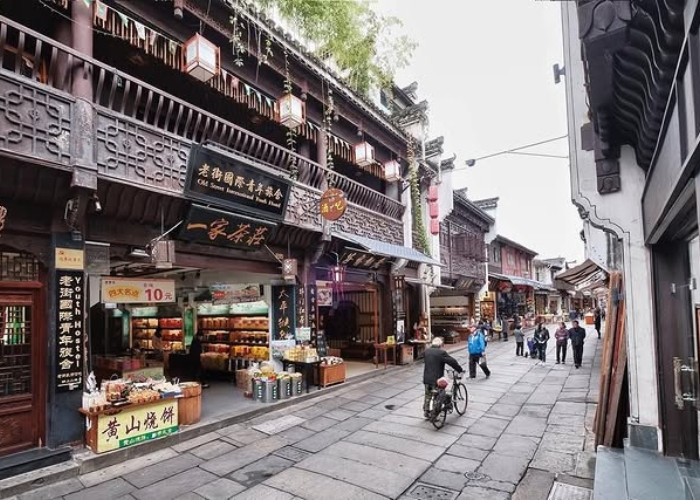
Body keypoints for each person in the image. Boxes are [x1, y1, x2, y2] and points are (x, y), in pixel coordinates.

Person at [423, 337, 464, 418]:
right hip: (437, 379)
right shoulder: (441, 353)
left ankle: (426, 411)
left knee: (428, 395)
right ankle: (434, 413)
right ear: (440, 345)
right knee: (437, 396)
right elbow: (452, 361)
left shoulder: (426, 351)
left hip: (427, 378)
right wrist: (459, 369)